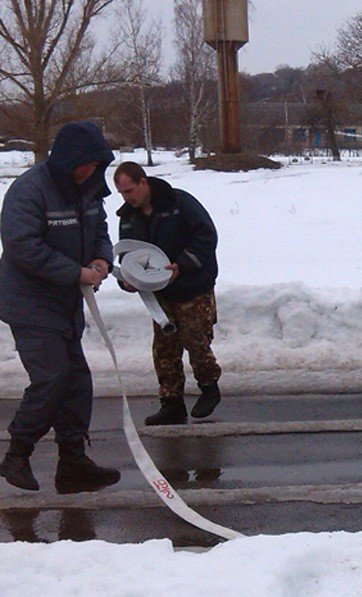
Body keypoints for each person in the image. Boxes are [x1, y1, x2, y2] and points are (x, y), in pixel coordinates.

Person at [0, 121, 121, 492]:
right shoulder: (30, 190)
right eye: (84, 163)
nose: (89, 171)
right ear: (68, 158)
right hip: (29, 302)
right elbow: (22, 246)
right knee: (52, 377)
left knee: (77, 381)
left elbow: (100, 232)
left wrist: (101, 261)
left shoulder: (89, 191)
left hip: (68, 302)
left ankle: (73, 463)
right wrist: (76, 272)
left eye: (95, 164)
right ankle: (17, 455)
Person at [113, 162, 221, 426]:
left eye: (129, 191)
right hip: (160, 294)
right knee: (165, 349)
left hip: (193, 287)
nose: (127, 198)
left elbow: (206, 237)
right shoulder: (128, 217)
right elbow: (130, 257)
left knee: (196, 342)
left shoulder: (179, 202)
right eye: (122, 193)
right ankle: (171, 403)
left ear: (143, 182)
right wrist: (128, 280)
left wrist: (181, 265)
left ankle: (209, 388)